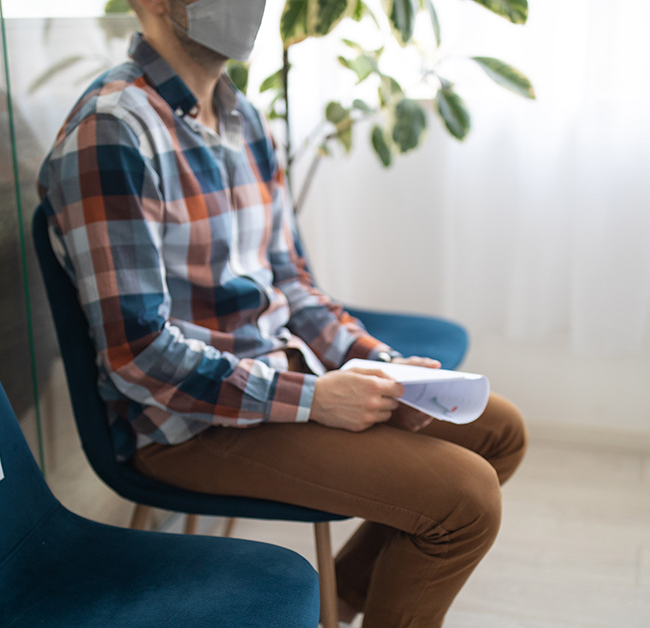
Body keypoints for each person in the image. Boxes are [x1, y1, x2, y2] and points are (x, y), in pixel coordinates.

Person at [36, 1, 528, 626]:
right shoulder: (112, 132)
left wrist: (381, 363)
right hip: (188, 425)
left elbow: (292, 282)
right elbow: (139, 355)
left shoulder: (243, 118)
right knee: (466, 498)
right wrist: (316, 399)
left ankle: (345, 600)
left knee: (499, 430)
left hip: (276, 379)